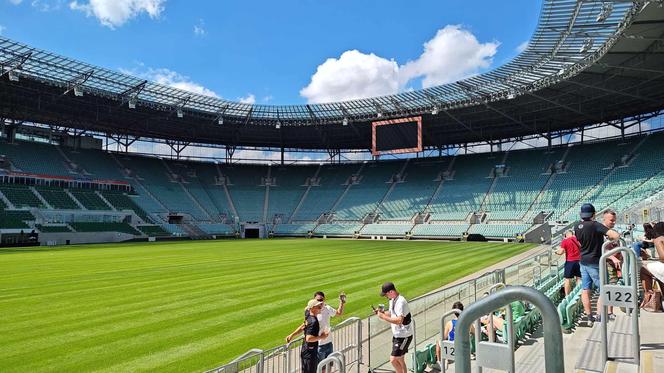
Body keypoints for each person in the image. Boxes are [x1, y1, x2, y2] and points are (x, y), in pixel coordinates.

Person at [574, 203, 620, 326]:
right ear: (593, 214)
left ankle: (589, 317)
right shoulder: (595, 225)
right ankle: (599, 315)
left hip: (583, 261)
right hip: (595, 262)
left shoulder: (576, 226)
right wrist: (611, 239)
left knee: (585, 290)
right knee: (603, 289)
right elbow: (615, 235)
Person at [286, 291, 346, 361]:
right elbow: (304, 326)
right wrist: (292, 335)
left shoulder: (327, 308)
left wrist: (342, 303)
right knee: (321, 368)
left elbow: (338, 313)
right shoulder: (312, 312)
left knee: (329, 366)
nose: (320, 302)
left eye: (322, 300)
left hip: (329, 342)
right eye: (318, 300)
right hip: (318, 345)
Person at [375, 282, 413, 373]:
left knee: (393, 359)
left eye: (386, 294)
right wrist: (382, 313)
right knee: (400, 359)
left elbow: (399, 320)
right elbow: (392, 314)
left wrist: (383, 317)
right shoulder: (392, 300)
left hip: (404, 336)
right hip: (398, 335)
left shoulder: (401, 302)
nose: (385, 296)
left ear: (391, 291)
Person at [300, 299, 330, 373]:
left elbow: (303, 327)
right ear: (313, 308)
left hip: (306, 350)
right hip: (310, 352)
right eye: (318, 306)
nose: (320, 307)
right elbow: (309, 338)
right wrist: (322, 337)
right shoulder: (313, 322)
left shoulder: (309, 316)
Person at [555, 230, 582, 296]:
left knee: (567, 279)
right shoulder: (578, 240)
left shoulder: (565, 241)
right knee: (579, 278)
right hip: (579, 261)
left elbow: (561, 252)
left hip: (570, 262)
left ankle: (567, 296)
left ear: (566, 235)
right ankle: (579, 294)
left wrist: (556, 252)